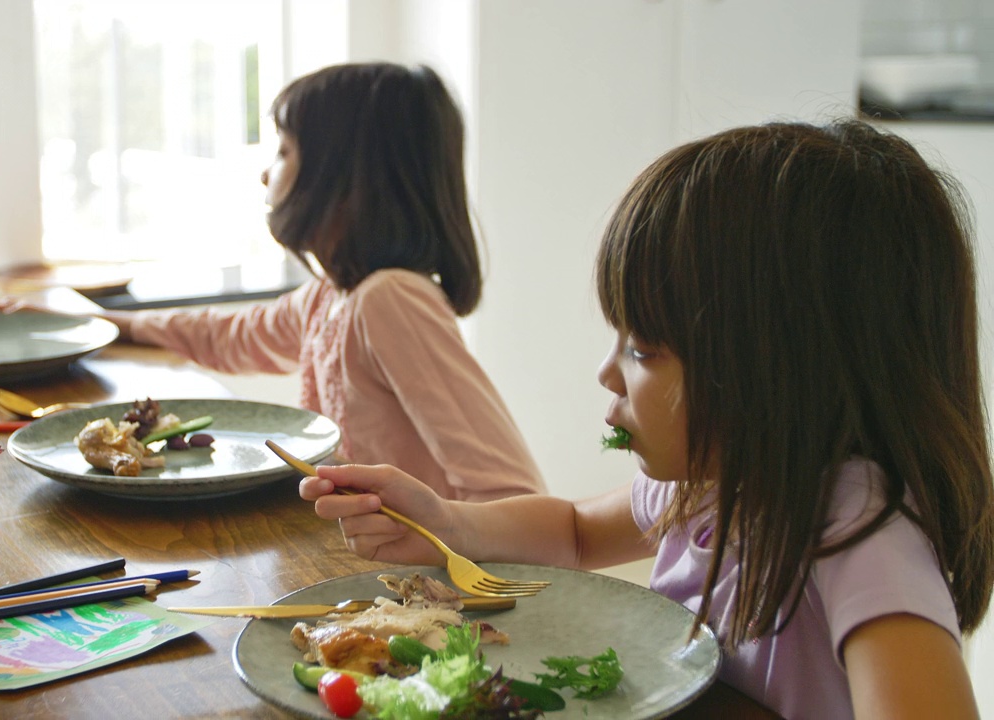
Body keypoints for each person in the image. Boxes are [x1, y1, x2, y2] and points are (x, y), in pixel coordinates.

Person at [299, 120, 993, 718]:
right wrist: (446, 525)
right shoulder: (718, 481)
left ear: (774, 368)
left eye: (642, 348)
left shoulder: (858, 529)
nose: (608, 373)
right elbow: (573, 532)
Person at [0, 62, 545, 501]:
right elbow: (228, 333)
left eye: (283, 151)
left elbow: (512, 491)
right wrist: (101, 324)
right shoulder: (331, 297)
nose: (266, 172)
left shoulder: (390, 300)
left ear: (345, 181)